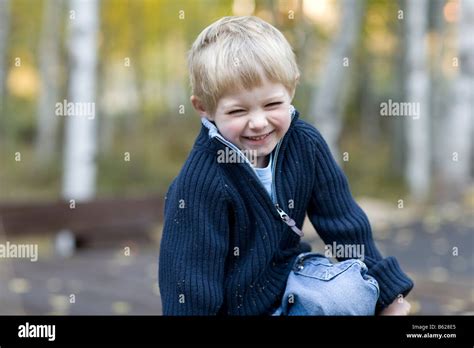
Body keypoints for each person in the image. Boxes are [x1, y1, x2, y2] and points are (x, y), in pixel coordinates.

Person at [158, 16, 413, 316]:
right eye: (238, 110)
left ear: (291, 89)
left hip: (291, 284)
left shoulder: (305, 145)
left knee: (352, 295)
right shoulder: (201, 182)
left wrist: (389, 296)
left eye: (271, 105)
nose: (258, 122)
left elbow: (344, 223)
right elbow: (188, 279)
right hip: (233, 307)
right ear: (204, 108)